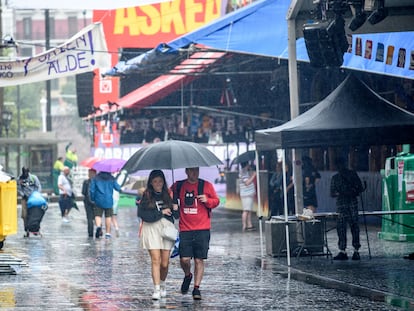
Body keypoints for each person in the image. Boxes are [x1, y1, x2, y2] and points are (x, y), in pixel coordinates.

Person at [171, 167, 220, 300]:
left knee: (199, 259)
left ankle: (196, 288)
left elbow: (216, 201)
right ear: (187, 171)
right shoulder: (179, 185)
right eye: (192, 170)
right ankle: (188, 275)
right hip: (185, 229)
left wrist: (208, 200)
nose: (195, 173)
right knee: (184, 259)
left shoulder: (206, 185)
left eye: (196, 170)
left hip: (202, 229)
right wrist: (173, 203)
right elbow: (168, 195)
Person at [138, 170, 179, 300]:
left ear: (163, 182)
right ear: (151, 182)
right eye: (155, 181)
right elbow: (143, 215)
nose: (158, 184)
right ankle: (156, 289)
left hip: (166, 229)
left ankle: (162, 283)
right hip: (151, 228)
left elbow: (176, 216)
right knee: (155, 259)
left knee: (165, 263)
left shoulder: (169, 194)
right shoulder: (146, 195)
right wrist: (161, 212)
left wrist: (175, 208)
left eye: (160, 181)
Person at [330, 157, 364, 261]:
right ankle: (355, 250)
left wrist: (341, 193)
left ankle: (343, 251)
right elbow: (360, 188)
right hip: (351, 203)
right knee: (353, 227)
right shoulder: (352, 174)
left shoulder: (335, 178)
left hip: (342, 204)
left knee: (342, 227)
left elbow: (332, 193)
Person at [90, 171, 121, 239]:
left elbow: (92, 190)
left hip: (98, 199)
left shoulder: (95, 178)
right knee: (108, 216)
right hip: (108, 200)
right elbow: (117, 188)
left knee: (98, 215)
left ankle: (98, 226)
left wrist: (92, 198)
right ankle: (107, 233)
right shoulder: (111, 178)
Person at [17, 167, 42, 237]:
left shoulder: (33, 178)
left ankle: (36, 229)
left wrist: (37, 194)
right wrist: (23, 194)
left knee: (34, 214)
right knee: (25, 215)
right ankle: (26, 229)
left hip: (34, 198)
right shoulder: (20, 179)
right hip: (25, 199)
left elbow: (38, 186)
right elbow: (19, 188)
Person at [239, 161, 257, 231]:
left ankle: (249, 224)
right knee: (246, 210)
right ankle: (244, 225)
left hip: (249, 194)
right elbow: (247, 183)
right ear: (246, 164)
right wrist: (253, 175)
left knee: (249, 210)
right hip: (246, 194)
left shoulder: (245, 172)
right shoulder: (243, 172)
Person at [81, 169, 96, 238]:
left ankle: (90, 233)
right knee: (97, 217)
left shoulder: (86, 182)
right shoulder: (98, 182)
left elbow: (83, 192)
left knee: (89, 218)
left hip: (87, 202)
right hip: (97, 202)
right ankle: (99, 230)